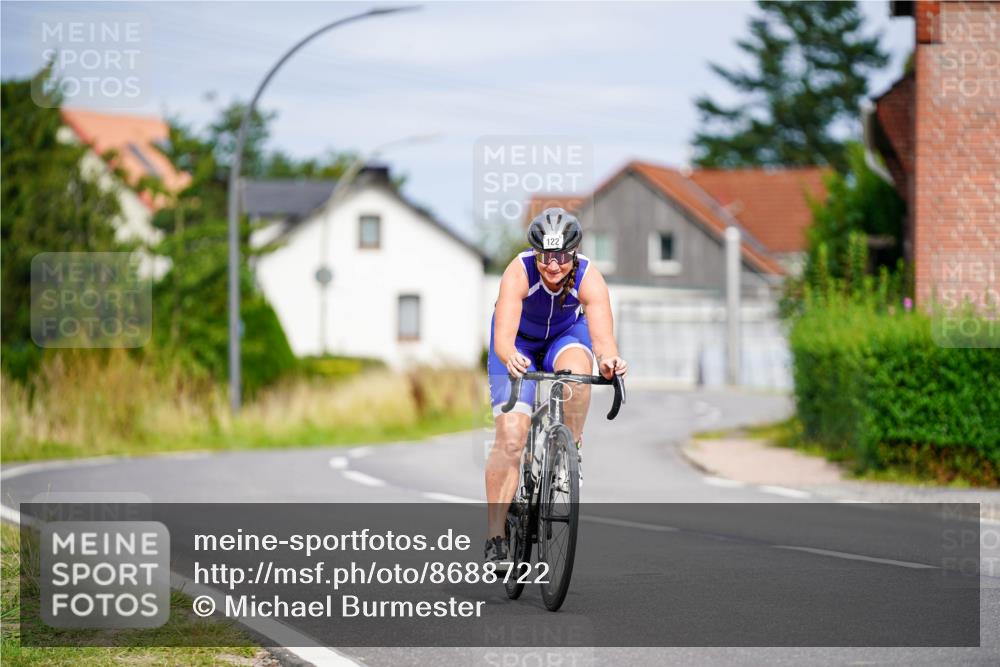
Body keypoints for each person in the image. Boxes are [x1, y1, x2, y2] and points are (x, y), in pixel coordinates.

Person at [484, 207, 628, 569]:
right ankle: (496, 535)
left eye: (562, 256)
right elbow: (503, 338)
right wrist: (510, 357)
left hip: (564, 337)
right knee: (512, 437)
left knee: (578, 374)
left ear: (573, 253)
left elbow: (603, 340)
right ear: (537, 253)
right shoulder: (518, 272)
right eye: (547, 257)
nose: (553, 266)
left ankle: (569, 450)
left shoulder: (588, 277)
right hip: (519, 343)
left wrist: (610, 361)